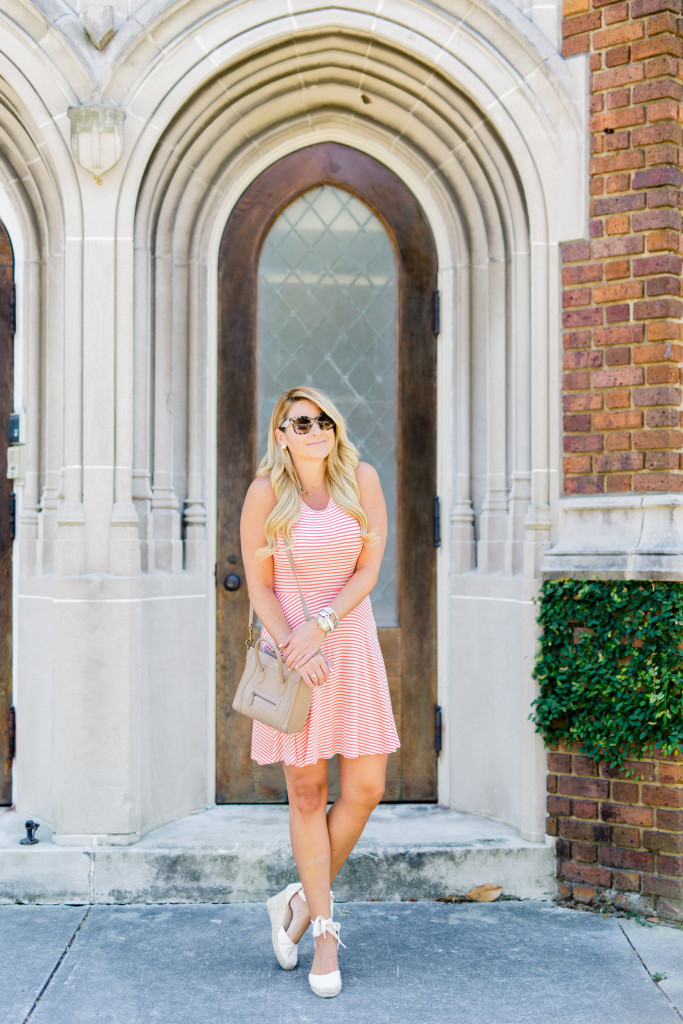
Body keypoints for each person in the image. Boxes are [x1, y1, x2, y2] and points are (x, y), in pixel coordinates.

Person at [240, 385, 400, 998]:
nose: (315, 431)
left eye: (324, 421)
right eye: (301, 423)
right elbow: (260, 586)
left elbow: (369, 569)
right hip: (293, 657)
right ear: (281, 435)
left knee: (366, 788)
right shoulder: (265, 493)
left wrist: (323, 625)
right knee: (307, 795)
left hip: (349, 647)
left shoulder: (362, 480)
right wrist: (293, 643)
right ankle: (325, 934)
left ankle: (300, 902)